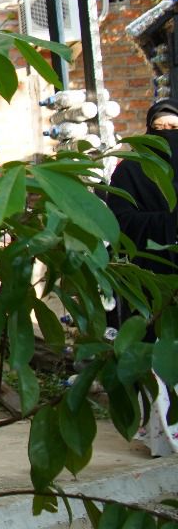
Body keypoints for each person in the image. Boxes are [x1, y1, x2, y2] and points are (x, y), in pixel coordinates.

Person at [103, 98, 178, 456]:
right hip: (149, 275)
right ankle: (158, 433)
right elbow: (118, 221)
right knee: (153, 350)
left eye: (174, 129)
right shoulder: (130, 171)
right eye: (159, 129)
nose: (167, 136)